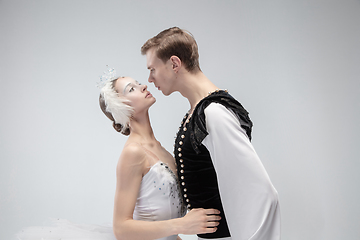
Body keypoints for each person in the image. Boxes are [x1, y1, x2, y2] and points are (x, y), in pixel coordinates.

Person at [141, 27, 281, 240]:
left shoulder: (213, 113)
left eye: (153, 69)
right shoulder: (197, 111)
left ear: (174, 64)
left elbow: (264, 195)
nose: (150, 79)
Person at [98, 73, 221, 240]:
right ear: (121, 106)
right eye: (132, 89)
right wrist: (182, 224)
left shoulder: (160, 150)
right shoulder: (133, 152)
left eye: (139, 83)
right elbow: (121, 229)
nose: (143, 86)